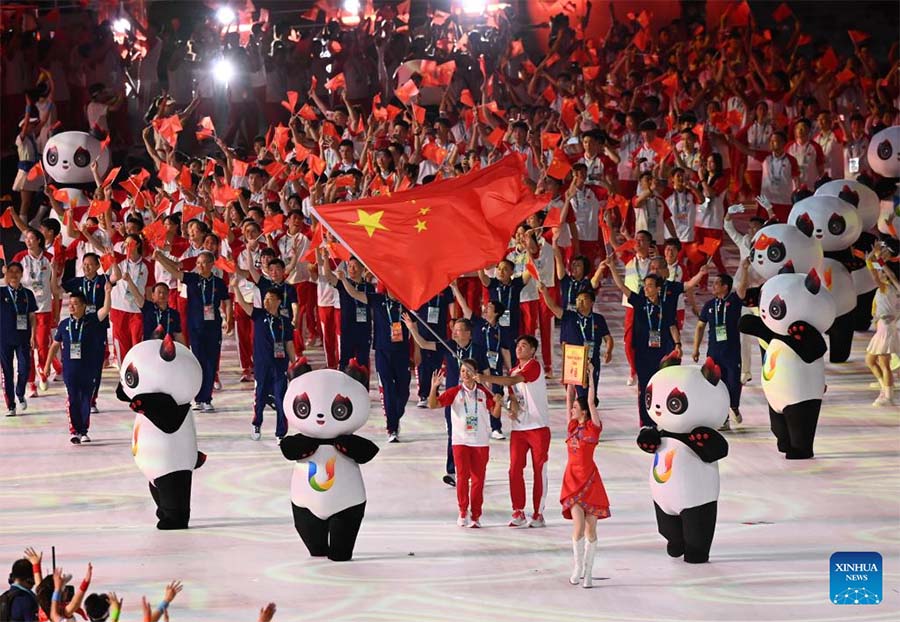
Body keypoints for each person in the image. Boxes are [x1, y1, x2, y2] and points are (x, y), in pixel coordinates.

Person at [405, 313, 489, 487]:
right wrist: (412, 328)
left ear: (468, 333)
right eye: (454, 330)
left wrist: (487, 388)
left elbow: (487, 374)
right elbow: (423, 343)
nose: (455, 333)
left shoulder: (479, 349)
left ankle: (474, 469)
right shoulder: (449, 346)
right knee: (454, 433)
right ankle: (452, 471)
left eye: (458, 330)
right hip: (454, 396)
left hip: (474, 397)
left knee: (474, 433)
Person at [477, 335, 551, 529]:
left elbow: (512, 381)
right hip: (519, 428)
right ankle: (518, 510)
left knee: (539, 470)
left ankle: (538, 513)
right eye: (517, 345)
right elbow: (515, 397)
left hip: (538, 427)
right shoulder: (513, 369)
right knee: (514, 469)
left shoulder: (533, 366)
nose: (519, 348)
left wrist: (486, 378)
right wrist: (512, 409)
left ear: (533, 351)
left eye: (524, 346)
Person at [605, 255, 683, 427]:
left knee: (662, 385)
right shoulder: (640, 302)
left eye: (649, 286)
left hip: (662, 352)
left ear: (658, 288)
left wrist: (678, 345)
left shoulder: (665, 306)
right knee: (644, 387)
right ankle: (645, 422)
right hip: (643, 352)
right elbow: (621, 287)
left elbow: (671, 326)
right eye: (645, 286)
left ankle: (662, 418)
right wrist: (611, 267)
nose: (646, 289)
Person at [153, 250, 232, 411]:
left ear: (211, 264)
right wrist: (160, 258)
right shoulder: (192, 278)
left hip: (213, 327)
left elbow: (227, 301)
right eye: (198, 263)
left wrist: (229, 319)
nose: (200, 266)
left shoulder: (218, 282)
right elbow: (175, 271)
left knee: (210, 363)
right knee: (197, 362)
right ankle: (197, 398)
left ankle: (207, 398)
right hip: (195, 327)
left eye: (203, 263)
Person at [338, 276, 409, 442]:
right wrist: (343, 280)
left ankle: (396, 416)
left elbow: (414, 328)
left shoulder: (406, 305)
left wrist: (418, 351)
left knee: (403, 391)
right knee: (388, 389)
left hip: (402, 352)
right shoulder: (377, 300)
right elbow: (355, 294)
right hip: (382, 351)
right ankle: (392, 427)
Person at [428, 362, 498, 528]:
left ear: (476, 373)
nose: (465, 374)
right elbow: (433, 405)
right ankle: (463, 512)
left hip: (480, 442)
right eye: (462, 371)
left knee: (478, 480)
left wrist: (498, 401)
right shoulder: (454, 392)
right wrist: (434, 388)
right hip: (460, 441)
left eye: (469, 371)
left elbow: (495, 412)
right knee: (462, 477)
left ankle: (476, 515)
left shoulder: (483, 392)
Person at [560, 368, 610, 589]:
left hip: (590, 481)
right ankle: (577, 567)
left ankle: (588, 572)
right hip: (572, 480)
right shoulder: (572, 426)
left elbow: (590, 402)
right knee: (578, 527)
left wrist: (589, 376)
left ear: (585, 412)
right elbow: (569, 396)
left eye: (575, 409)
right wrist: (571, 376)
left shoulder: (594, 428)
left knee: (591, 530)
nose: (571, 409)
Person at [45, 283, 112, 444]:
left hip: (88, 369)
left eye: (76, 304)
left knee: (85, 399)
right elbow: (55, 345)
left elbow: (105, 310)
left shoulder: (92, 321)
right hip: (70, 369)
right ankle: (74, 431)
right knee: (73, 398)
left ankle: (84, 431)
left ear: (84, 306)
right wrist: (47, 365)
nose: (72, 307)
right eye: (70, 304)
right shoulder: (64, 324)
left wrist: (108, 292)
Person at [231, 279, 296, 441]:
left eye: (270, 299)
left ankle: (281, 433)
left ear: (279, 301)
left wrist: (294, 363)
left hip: (280, 365)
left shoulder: (285, 322)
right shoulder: (259, 315)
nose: (266, 301)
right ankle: (256, 423)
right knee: (259, 397)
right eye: (265, 298)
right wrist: (235, 288)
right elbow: (244, 306)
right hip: (261, 365)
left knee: (281, 399)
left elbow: (289, 343)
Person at [450, 281, 510, 441]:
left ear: (496, 313)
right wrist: (456, 288)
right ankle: (470, 424)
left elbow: (505, 350)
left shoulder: (503, 330)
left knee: (494, 394)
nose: (485, 308)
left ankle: (496, 427)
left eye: (489, 308)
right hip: (477, 368)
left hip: (494, 369)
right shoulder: (478, 324)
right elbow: (465, 309)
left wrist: (511, 372)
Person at [692, 268, 748, 429]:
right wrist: (696, 348)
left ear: (725, 287)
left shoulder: (734, 301)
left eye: (717, 283)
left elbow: (743, 287)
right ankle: (723, 418)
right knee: (717, 385)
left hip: (731, 352)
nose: (713, 286)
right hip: (714, 353)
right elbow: (700, 327)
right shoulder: (709, 305)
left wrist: (745, 268)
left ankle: (734, 406)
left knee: (733, 383)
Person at [538, 282, 613, 403]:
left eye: (584, 300)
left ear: (592, 302)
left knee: (591, 392)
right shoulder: (569, 316)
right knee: (574, 393)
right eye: (578, 300)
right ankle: (575, 416)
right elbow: (552, 306)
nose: (580, 302)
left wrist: (609, 351)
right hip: (574, 361)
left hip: (592, 360)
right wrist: (545, 293)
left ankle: (588, 416)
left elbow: (608, 338)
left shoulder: (598, 318)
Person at [12, 228, 58, 395]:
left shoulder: (49, 259)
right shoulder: (20, 258)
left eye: (31, 238)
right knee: (27, 347)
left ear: (39, 240)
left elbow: (54, 288)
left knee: (42, 346)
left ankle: (43, 371)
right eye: (26, 239)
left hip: (44, 309)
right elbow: (13, 281)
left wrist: (57, 311)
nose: (28, 241)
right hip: (24, 311)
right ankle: (31, 383)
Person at [62, 253, 110, 413]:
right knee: (79, 363)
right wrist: (55, 272)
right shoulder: (77, 282)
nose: (86, 267)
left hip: (98, 326)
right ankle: (77, 396)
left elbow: (116, 276)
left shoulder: (103, 280)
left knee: (96, 365)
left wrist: (112, 260)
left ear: (98, 266)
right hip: (80, 330)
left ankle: (92, 399)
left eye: (90, 264)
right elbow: (56, 289)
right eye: (84, 264)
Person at [320, 254, 374, 373]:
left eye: (355, 266)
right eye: (349, 266)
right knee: (345, 360)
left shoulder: (369, 287)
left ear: (363, 269)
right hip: (347, 328)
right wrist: (325, 259)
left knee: (363, 361)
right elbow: (328, 276)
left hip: (364, 330)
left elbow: (360, 297)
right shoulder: (342, 283)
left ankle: (363, 388)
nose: (352, 269)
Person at [108, 235, 155, 364]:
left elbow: (149, 290)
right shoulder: (118, 259)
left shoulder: (147, 265)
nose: (126, 246)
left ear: (138, 244)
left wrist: (149, 312)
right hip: (118, 309)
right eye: (125, 244)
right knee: (121, 345)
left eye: (129, 243)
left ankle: (138, 376)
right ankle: (123, 377)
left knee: (137, 345)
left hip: (137, 311)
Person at [0, 262, 37, 416]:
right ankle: (11, 406)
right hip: (4, 339)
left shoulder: (28, 294)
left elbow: (32, 316)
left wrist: (33, 335)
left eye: (17, 272)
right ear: (6, 274)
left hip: (23, 338)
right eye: (11, 272)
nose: (14, 275)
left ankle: (20, 392)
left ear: (22, 274)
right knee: (7, 372)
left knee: (24, 369)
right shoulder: (1, 292)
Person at [865, 248, 900, 407]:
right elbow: (890, 275)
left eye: (882, 274)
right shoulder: (893, 288)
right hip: (883, 328)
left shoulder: (885, 288)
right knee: (870, 360)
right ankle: (884, 389)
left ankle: (888, 395)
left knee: (884, 364)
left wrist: (873, 258)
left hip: (886, 328)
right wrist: (876, 260)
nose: (880, 275)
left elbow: (875, 273)